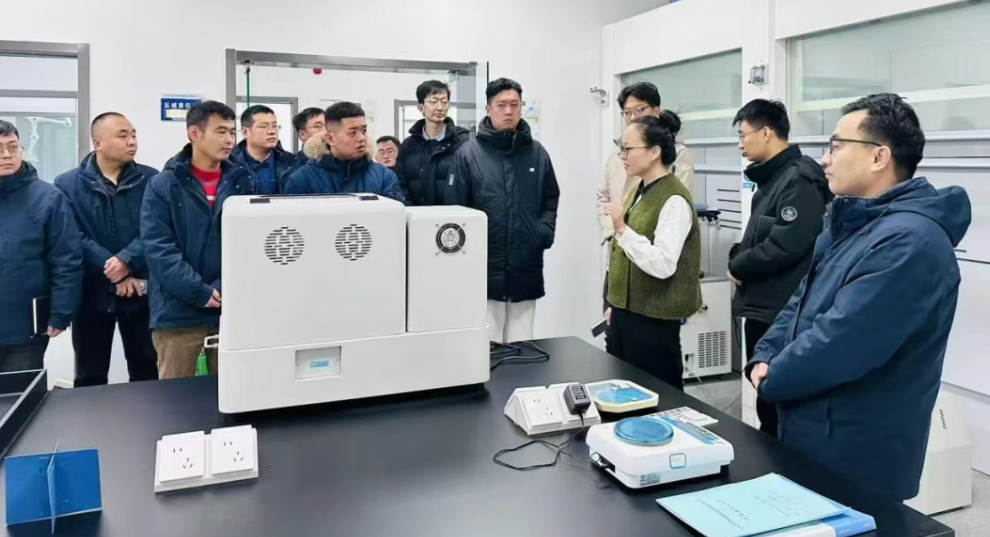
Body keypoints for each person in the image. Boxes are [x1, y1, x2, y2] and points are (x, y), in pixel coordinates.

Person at [747, 93, 971, 502]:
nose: (825, 159)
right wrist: (765, 352)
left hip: (856, 452)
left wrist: (772, 376)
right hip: (814, 431)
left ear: (879, 156)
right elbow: (800, 302)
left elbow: (842, 342)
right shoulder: (851, 224)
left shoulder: (910, 242)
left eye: (836, 146)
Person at [726, 99, 831, 437]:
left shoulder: (799, 178)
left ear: (766, 133)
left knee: (776, 406)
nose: (740, 144)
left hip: (781, 309)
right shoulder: (774, 177)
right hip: (764, 304)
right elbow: (764, 234)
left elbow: (787, 244)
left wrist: (739, 265)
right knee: (765, 400)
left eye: (743, 135)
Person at [142, 101, 257, 379]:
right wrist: (199, 292)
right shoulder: (164, 184)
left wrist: (221, 289)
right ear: (194, 133)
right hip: (177, 315)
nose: (229, 140)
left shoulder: (244, 183)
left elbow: (250, 245)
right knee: (177, 397)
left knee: (232, 391)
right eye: (221, 131)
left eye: (232, 132)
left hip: (230, 312)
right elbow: (159, 249)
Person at [55, 112, 160, 387]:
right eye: (123, 135)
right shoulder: (67, 184)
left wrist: (127, 261)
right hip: (92, 292)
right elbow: (71, 236)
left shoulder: (152, 179)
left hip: (140, 291)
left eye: (134, 135)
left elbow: (156, 229)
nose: (132, 141)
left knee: (147, 372)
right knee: (89, 375)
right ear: (98, 143)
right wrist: (114, 268)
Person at [453, 78, 559, 344]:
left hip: (526, 266)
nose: (509, 111)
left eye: (514, 104)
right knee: (486, 350)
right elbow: (456, 211)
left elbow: (550, 198)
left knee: (523, 346)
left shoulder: (537, 153)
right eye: (501, 105)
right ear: (488, 109)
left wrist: (543, 232)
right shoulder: (468, 154)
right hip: (484, 270)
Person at [603, 116, 701, 391]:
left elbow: (663, 263)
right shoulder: (639, 189)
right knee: (623, 390)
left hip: (653, 321)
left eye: (628, 149)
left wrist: (622, 230)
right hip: (628, 314)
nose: (623, 157)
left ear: (654, 152)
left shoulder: (674, 198)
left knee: (657, 396)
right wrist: (616, 305)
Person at [597, 82, 695, 312]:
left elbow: (675, 206)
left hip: (651, 264)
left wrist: (628, 233)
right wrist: (614, 231)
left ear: (656, 111)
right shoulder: (617, 154)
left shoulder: (676, 156)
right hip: (618, 255)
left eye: (639, 110)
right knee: (613, 324)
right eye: (627, 113)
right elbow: (602, 196)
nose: (632, 118)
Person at [0, 120, 82, 371]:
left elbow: (66, 259)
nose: (7, 155)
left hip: (24, 327)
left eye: (13, 147)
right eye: (0, 149)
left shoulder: (48, 197)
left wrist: (60, 313)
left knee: (21, 392)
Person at [284, 102, 404, 202]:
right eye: (352, 133)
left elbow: (395, 219)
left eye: (364, 131)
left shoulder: (384, 176)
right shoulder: (301, 180)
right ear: (330, 139)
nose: (361, 138)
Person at [394, 80, 471, 206]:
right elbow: (400, 184)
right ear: (421, 107)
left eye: (444, 102)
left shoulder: (462, 142)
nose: (440, 107)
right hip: (416, 215)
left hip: (454, 215)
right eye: (433, 102)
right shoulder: (408, 146)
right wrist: (411, 211)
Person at [230, 105, 298, 194]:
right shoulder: (229, 164)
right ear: (245, 132)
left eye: (274, 126)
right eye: (263, 126)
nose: (272, 131)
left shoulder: (292, 162)